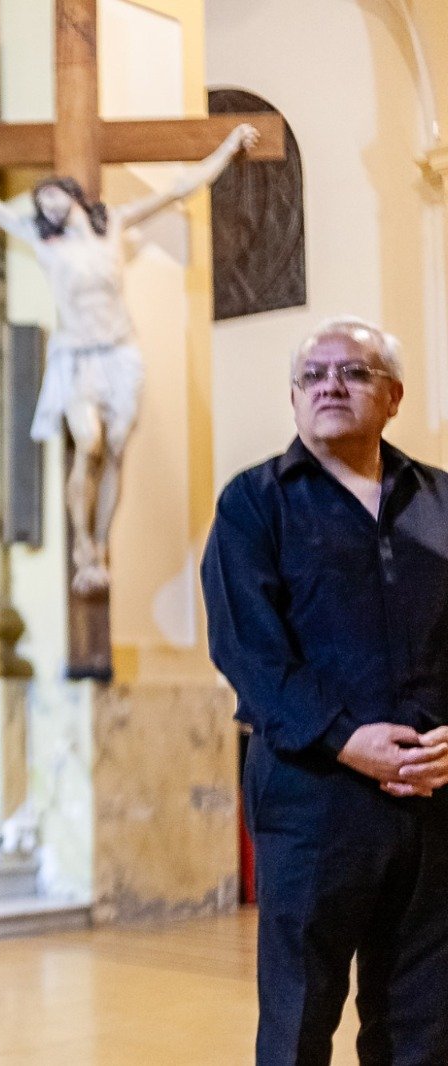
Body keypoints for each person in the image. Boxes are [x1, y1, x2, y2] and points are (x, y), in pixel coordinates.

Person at [202, 316, 448, 1064]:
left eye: (353, 371)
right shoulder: (253, 503)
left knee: (425, 1019)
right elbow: (248, 649)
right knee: (299, 1018)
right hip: (312, 797)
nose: (330, 386)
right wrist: (347, 739)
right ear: (293, 397)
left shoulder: (441, 500)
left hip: (433, 796)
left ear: (394, 396)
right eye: (313, 375)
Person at [0, 124, 260, 594]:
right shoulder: (41, 238)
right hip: (75, 356)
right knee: (88, 441)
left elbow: (179, 188)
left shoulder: (112, 225)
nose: (46, 205)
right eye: (41, 201)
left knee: (115, 448)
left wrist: (228, 146)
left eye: (52, 195)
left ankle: (100, 543)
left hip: (120, 352)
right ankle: (82, 543)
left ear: (71, 193)